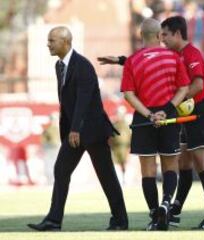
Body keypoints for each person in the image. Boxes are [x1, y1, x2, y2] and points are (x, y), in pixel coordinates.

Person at [27, 26, 128, 231]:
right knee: (61, 169)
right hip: (75, 132)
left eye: (52, 40)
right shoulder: (59, 66)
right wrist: (71, 130)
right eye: (48, 40)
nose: (48, 44)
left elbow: (83, 100)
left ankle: (120, 220)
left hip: (92, 130)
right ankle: (54, 221)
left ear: (66, 42)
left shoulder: (82, 65)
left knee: (106, 175)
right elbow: (67, 102)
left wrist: (75, 129)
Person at [120, 18, 189, 231]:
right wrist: (165, 111)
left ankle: (154, 215)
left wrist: (149, 115)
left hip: (144, 119)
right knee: (170, 166)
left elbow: (129, 95)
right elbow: (184, 88)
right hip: (168, 117)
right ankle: (166, 204)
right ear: (160, 35)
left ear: (141, 36)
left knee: (147, 170)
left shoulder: (132, 61)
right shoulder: (174, 58)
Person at [161, 16, 204, 230]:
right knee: (184, 163)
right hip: (184, 112)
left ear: (178, 34)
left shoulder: (192, 54)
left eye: (165, 35)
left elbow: (197, 85)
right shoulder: (174, 54)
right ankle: (176, 212)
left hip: (198, 112)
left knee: (201, 162)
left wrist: (172, 104)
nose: (162, 40)